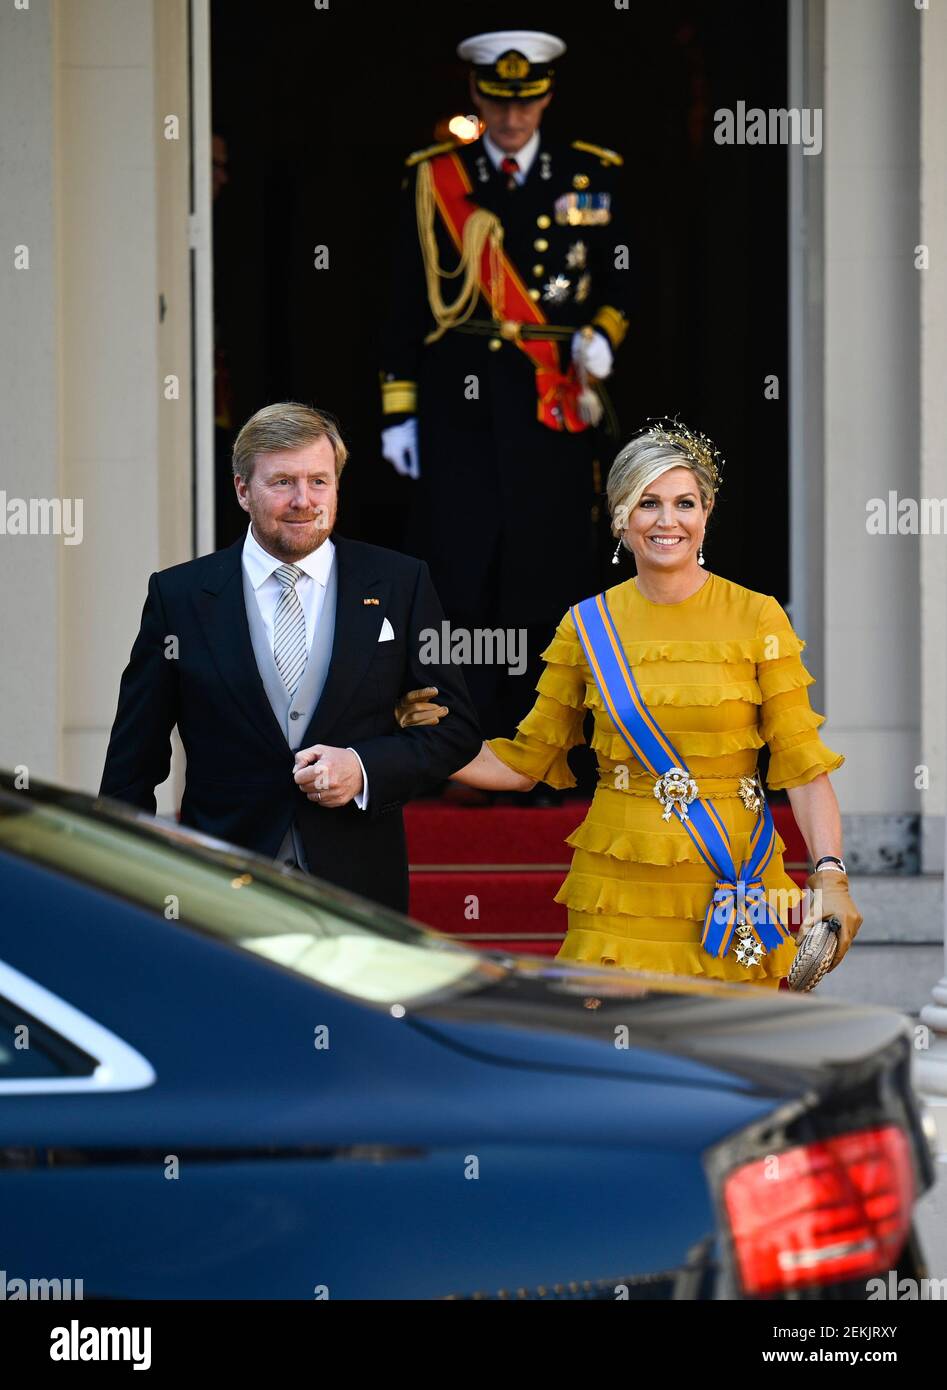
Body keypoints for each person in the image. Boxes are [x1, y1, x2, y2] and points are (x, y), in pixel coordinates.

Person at [415, 421, 862, 986]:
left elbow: (801, 764)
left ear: (707, 513)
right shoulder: (586, 626)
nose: (667, 521)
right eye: (648, 503)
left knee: (732, 1059)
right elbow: (523, 764)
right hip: (620, 893)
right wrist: (427, 742)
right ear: (621, 517)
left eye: (685, 503)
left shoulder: (758, 617)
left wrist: (829, 874)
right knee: (613, 1057)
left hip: (737, 881)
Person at [99, 402, 481, 913]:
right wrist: (125, 879)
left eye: (319, 481)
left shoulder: (399, 584)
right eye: (282, 482)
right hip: (221, 888)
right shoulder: (181, 596)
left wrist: (362, 768)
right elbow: (132, 761)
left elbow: (452, 730)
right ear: (242, 490)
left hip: (360, 886)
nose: (304, 500)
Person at [381, 28, 633, 735]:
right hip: (455, 403)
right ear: (475, 95)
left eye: (525, 103)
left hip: (550, 399)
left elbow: (622, 281)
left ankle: (542, 747)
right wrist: (398, 407)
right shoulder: (435, 177)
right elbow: (403, 296)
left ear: (547, 96)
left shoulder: (590, 173)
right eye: (499, 102)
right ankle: (457, 745)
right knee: (456, 575)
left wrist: (602, 338)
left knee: (549, 575)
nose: (512, 118)